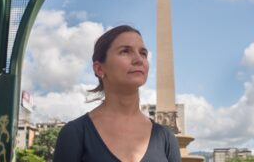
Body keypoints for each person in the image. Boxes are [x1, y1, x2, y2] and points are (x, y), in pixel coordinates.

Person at [53, 25, 181, 162]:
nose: (139, 59)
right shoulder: (75, 133)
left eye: (143, 53)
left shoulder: (166, 138)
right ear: (99, 68)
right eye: (125, 51)